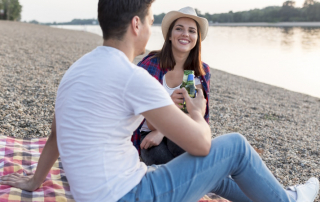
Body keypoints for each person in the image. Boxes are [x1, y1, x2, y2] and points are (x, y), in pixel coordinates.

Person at [0, 1, 318, 202]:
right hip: (132, 194)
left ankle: (281, 197)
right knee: (233, 145)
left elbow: (56, 134)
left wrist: (34, 181)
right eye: (151, 20)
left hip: (107, 189)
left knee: (215, 173)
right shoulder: (133, 75)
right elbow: (202, 145)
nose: (151, 28)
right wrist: (197, 112)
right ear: (136, 24)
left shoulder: (76, 70)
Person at [131, 7, 211, 166]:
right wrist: (168, 104)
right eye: (179, 29)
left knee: (184, 150)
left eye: (192, 31)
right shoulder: (151, 65)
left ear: (197, 38)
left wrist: (161, 131)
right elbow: (143, 115)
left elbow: (194, 116)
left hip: (178, 129)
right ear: (169, 35)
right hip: (147, 131)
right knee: (165, 161)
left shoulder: (197, 72)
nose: (185, 34)